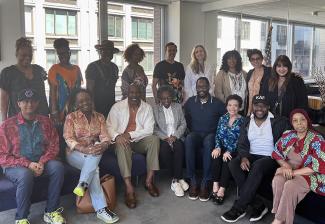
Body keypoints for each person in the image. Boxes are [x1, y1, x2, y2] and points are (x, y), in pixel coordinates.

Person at [0, 89, 65, 224]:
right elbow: (2, 155)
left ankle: (51, 211)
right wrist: (28, 164)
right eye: (25, 101)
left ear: (37, 103)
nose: (29, 104)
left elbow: (54, 146)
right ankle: (21, 218)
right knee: (25, 175)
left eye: (33, 101)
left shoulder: (46, 122)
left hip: (41, 161)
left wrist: (42, 162)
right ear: (18, 103)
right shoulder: (7, 125)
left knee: (58, 167)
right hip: (15, 165)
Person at [221, 95, 290, 223]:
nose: (259, 108)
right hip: (251, 155)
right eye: (256, 105)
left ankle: (239, 207)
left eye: (263, 105)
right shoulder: (247, 121)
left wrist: (282, 158)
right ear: (252, 106)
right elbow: (242, 143)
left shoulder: (279, 121)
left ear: (268, 107)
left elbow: (286, 144)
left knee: (258, 165)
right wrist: (244, 157)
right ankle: (258, 204)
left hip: (271, 158)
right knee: (233, 163)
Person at [63, 89, 119, 223]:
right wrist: (83, 148)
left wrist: (104, 145)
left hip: (93, 152)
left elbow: (105, 136)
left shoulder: (99, 117)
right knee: (94, 165)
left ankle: (83, 185)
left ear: (92, 100)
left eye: (87, 99)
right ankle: (101, 209)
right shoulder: (71, 117)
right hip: (75, 153)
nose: (85, 103)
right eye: (81, 101)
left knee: (96, 156)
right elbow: (68, 138)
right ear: (76, 104)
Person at [106, 84, 160, 209]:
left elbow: (149, 130)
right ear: (127, 93)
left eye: (137, 93)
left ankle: (148, 181)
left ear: (141, 93)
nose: (134, 95)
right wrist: (117, 137)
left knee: (154, 140)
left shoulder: (147, 108)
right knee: (122, 145)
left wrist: (129, 134)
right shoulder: (117, 107)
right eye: (131, 92)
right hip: (121, 141)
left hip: (138, 140)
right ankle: (129, 187)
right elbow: (108, 126)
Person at [271, 109, 325, 224]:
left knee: (290, 185)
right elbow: (276, 153)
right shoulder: (288, 135)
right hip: (290, 169)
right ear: (292, 123)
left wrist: (292, 173)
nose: (299, 123)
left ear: (308, 120)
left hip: (309, 174)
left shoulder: (317, 139)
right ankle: (280, 217)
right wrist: (285, 166)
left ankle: (278, 220)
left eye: (302, 120)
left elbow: (316, 167)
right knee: (278, 180)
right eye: (295, 121)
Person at [184, 77, 226, 202]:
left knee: (208, 142)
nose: (201, 89)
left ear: (209, 87)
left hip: (211, 134)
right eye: (199, 86)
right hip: (196, 133)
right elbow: (187, 119)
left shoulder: (218, 103)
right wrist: (192, 130)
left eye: (204, 86)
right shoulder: (190, 102)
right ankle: (192, 180)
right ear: (196, 88)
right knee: (189, 139)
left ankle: (206, 182)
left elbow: (224, 121)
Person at [0, 37, 49, 122]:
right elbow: (4, 99)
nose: (27, 58)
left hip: (40, 118)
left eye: (30, 55)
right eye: (23, 55)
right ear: (16, 54)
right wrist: (4, 120)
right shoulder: (8, 73)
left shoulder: (38, 70)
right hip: (18, 121)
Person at [153, 85, 189, 197]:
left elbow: (183, 124)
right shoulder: (155, 109)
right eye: (163, 98)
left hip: (176, 136)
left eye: (168, 98)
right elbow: (154, 128)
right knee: (164, 150)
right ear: (159, 98)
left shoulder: (177, 107)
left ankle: (176, 179)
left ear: (172, 97)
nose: (166, 101)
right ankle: (177, 179)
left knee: (179, 147)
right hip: (163, 137)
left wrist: (175, 136)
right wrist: (165, 138)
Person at [211, 94, 244, 205]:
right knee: (216, 155)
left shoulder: (243, 121)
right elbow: (218, 135)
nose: (232, 108)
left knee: (227, 159)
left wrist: (229, 150)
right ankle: (215, 184)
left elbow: (240, 140)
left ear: (240, 107)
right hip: (223, 146)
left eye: (235, 105)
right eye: (230, 105)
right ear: (226, 106)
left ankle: (222, 189)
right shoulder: (222, 118)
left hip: (235, 149)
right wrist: (218, 147)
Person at [48, 38, 82, 125]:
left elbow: (79, 90)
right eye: (59, 54)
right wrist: (54, 112)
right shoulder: (54, 69)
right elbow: (52, 93)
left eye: (64, 53)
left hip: (76, 109)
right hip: (60, 110)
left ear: (69, 52)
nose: (62, 56)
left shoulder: (76, 69)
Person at [86, 40, 119, 118]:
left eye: (110, 51)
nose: (108, 53)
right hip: (96, 107)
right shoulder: (92, 67)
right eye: (105, 50)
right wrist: (92, 107)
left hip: (111, 106)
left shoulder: (115, 67)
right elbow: (89, 89)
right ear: (100, 52)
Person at [246, 49, 272, 116]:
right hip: (250, 106)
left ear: (262, 59)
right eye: (252, 59)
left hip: (263, 106)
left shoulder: (269, 71)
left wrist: (293, 74)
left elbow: (281, 73)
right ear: (250, 61)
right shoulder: (249, 73)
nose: (255, 61)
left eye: (258, 58)